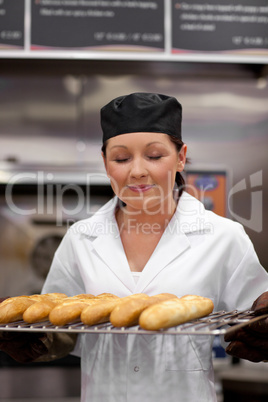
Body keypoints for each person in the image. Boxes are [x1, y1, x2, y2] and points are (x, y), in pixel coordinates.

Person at [0, 92, 268, 401]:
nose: (137, 171)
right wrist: (30, 336)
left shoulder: (222, 236)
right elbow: (61, 326)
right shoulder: (82, 238)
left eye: (154, 156)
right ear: (105, 162)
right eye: (121, 158)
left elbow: (255, 317)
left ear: (180, 157)